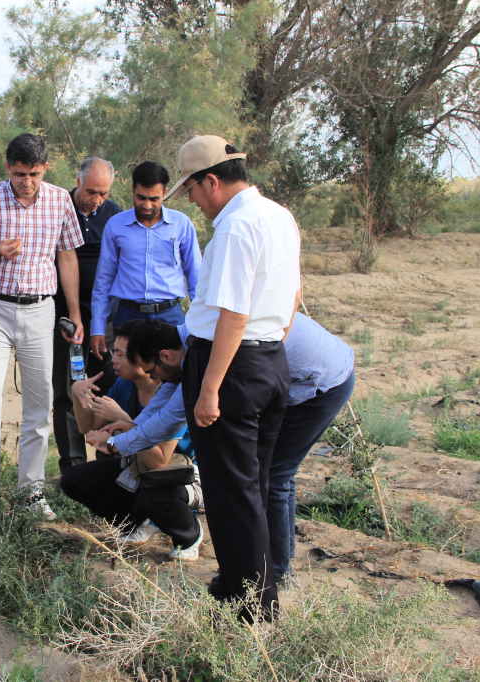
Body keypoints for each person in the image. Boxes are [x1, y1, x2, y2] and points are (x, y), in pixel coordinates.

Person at [168, 134, 301, 622]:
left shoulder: (234, 228)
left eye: (194, 191)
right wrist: (274, 344)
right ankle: (245, 586)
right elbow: (293, 291)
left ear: (212, 181)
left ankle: (252, 609)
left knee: (231, 494)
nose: (195, 202)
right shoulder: (278, 216)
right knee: (255, 485)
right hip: (268, 361)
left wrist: (209, 389)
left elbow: (232, 314)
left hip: (230, 366)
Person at [0, 133, 84, 519]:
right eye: (18, 174)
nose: (26, 182)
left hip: (39, 309)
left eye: (33, 173)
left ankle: (31, 493)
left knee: (39, 402)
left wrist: (75, 313)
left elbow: (66, 256)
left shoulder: (61, 199)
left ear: (45, 168)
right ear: (7, 167)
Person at [65, 320, 203, 559]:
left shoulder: (173, 390)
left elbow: (159, 461)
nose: (113, 359)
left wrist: (123, 422)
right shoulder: (125, 386)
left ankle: (189, 534)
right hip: (139, 470)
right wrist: (78, 395)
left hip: (184, 476)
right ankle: (136, 523)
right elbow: (89, 429)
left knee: (155, 487)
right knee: (76, 480)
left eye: (120, 353)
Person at [268, 313, 355, 582]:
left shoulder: (211, 337)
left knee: (275, 475)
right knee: (279, 473)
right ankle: (282, 557)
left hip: (324, 383)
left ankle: (279, 571)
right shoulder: (205, 325)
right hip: (312, 374)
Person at [89, 161, 201, 360]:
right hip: (128, 315)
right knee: (126, 379)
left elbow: (196, 277)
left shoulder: (181, 225)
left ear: (165, 192)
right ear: (133, 190)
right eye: (141, 198)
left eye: (154, 199)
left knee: (171, 378)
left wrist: (202, 322)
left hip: (170, 316)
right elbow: (103, 281)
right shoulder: (116, 226)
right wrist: (97, 328)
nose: (147, 205)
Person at [53, 157, 122, 472]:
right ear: (77, 181)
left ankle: (109, 459)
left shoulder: (114, 215)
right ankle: (73, 464)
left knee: (107, 385)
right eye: (91, 191)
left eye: (103, 193)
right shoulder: (58, 207)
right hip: (63, 315)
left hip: (104, 319)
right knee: (69, 389)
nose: (97, 200)